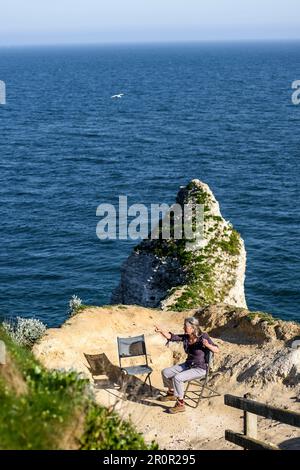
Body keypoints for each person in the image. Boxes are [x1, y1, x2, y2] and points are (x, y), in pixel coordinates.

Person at [154, 317, 219, 413]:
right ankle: (171, 393)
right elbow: (171, 337)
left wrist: (208, 345)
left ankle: (180, 404)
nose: (183, 327)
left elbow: (217, 350)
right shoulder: (186, 337)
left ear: (193, 328)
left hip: (200, 368)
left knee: (178, 378)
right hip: (188, 365)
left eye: (185, 326)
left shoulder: (203, 336)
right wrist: (161, 331)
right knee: (166, 372)